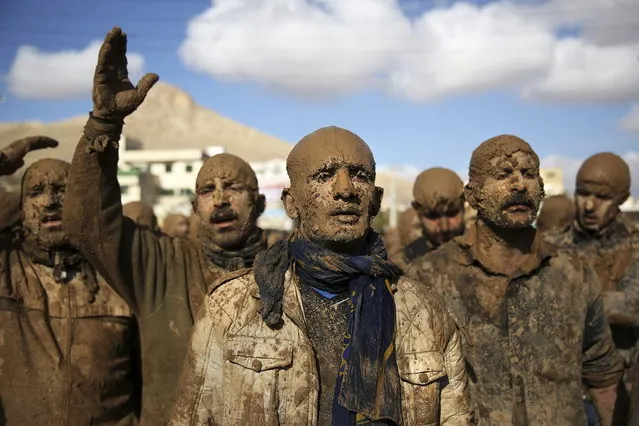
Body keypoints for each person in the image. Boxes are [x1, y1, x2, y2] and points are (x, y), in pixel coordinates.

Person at [169, 126, 473, 425]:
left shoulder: (423, 312)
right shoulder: (232, 306)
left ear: (376, 200)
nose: (345, 190)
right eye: (324, 176)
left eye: (359, 175)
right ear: (291, 203)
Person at [62, 27, 267, 424]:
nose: (221, 199)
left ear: (257, 203)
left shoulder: (286, 268)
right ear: (194, 207)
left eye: (233, 188)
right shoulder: (161, 265)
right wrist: (103, 124)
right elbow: (88, 223)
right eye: (208, 190)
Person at [409, 135, 625, 425]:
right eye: (503, 174)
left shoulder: (574, 272)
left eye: (529, 173)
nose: (519, 184)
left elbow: (602, 373)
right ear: (472, 194)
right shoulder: (429, 278)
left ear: (542, 188)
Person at [0, 136, 141, 425]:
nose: (50, 201)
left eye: (61, 190)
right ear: (21, 210)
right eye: (36, 192)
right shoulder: (6, 269)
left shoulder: (118, 274)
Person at [545, 153, 639, 401]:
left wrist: (572, 300)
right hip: (564, 389)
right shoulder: (550, 246)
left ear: (622, 199)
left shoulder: (635, 245)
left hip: (621, 388)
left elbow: (634, 305)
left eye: (602, 197)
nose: (588, 205)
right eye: (583, 193)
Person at [404, 167, 466, 263]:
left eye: (451, 213)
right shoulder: (405, 264)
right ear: (418, 212)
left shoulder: (484, 255)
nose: (445, 228)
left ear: (463, 206)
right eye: (433, 216)